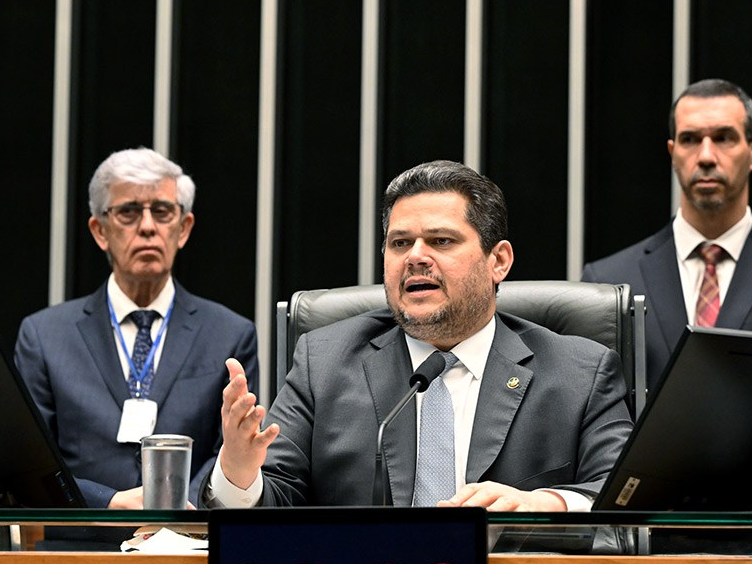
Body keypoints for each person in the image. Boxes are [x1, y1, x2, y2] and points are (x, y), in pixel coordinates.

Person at [205, 160, 633, 511]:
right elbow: (276, 502)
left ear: (498, 261)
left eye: (441, 241)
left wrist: (549, 503)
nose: (415, 258)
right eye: (399, 243)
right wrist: (239, 474)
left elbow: (626, 498)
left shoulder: (580, 372)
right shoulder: (325, 361)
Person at [15, 147, 259, 509]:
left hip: (187, 547)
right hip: (78, 547)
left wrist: (175, 503)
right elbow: (29, 465)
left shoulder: (230, 334)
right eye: (129, 212)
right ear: (100, 231)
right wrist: (109, 501)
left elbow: (231, 450)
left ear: (183, 228)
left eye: (162, 212)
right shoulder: (44, 337)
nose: (147, 226)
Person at [582, 78, 752, 393]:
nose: (706, 156)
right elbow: (592, 404)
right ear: (673, 153)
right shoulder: (608, 281)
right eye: (691, 139)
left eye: (723, 138)